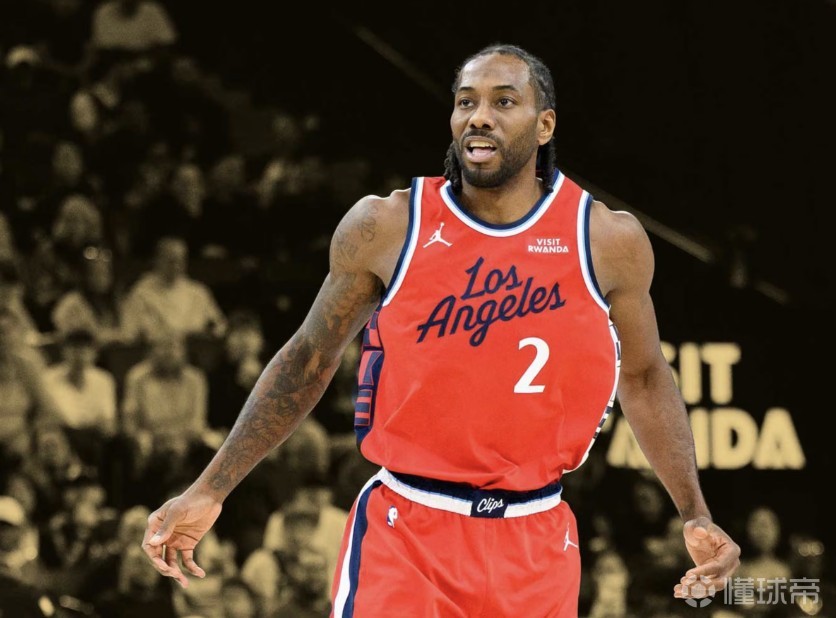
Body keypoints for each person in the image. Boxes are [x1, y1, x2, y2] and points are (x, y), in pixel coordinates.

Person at [142, 44, 741, 616]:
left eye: (503, 101)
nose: (479, 116)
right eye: (465, 101)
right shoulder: (387, 226)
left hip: (537, 539)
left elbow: (643, 376)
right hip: (407, 531)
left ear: (545, 125)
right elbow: (308, 359)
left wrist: (694, 511)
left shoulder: (607, 240)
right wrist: (211, 488)